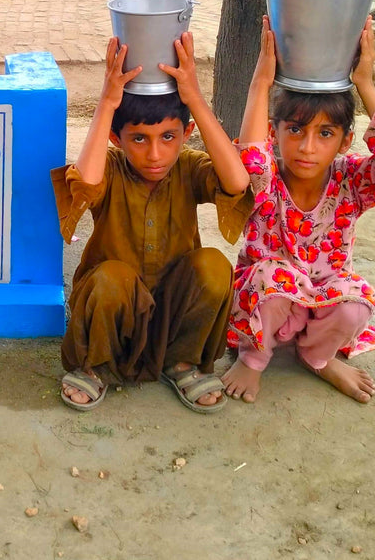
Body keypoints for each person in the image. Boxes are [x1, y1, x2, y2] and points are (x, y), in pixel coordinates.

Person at [52, 33, 252, 412]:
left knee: (213, 266)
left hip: (172, 312)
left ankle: (182, 361)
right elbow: (87, 182)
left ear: (186, 134)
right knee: (112, 276)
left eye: (168, 137)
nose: (156, 154)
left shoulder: (189, 168)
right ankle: (97, 366)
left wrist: (194, 98)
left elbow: (238, 182)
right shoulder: (109, 166)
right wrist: (107, 103)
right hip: (113, 310)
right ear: (117, 138)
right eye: (139, 139)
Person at [221, 17, 375, 404]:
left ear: (346, 140)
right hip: (268, 302)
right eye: (295, 130)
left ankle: (318, 356)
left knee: (357, 300)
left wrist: (365, 83)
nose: (308, 147)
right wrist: (261, 83)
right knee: (273, 278)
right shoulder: (266, 182)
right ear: (274, 133)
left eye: (325, 133)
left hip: (321, 304)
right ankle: (254, 356)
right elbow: (250, 158)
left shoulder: (352, 182)